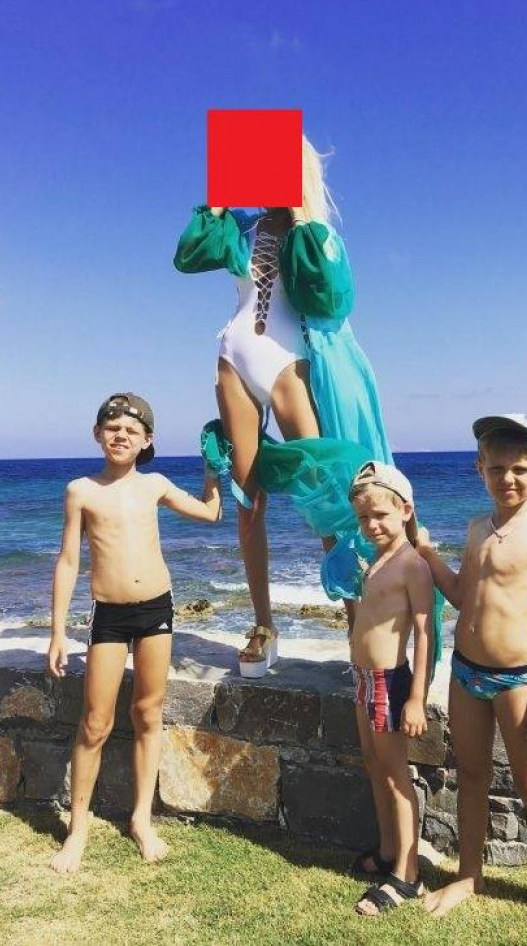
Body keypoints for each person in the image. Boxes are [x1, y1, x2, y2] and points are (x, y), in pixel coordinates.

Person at [173, 134, 391, 677]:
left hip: (290, 365)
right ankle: (263, 625)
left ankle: (357, 623)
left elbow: (329, 297)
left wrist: (298, 213)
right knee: (248, 499)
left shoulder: (314, 234)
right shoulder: (241, 227)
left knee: (328, 495)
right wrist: (221, 194)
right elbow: (187, 256)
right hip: (234, 359)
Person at [417, 414, 527, 945]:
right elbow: (462, 595)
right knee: (471, 775)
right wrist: (427, 554)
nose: (508, 479)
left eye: (520, 470)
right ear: (479, 469)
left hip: (516, 681)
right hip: (466, 672)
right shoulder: (476, 530)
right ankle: (469, 875)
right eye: (496, 469)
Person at [46, 392, 222, 874]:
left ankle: (141, 819)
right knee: (95, 723)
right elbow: (68, 561)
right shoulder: (81, 490)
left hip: (156, 611)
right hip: (108, 616)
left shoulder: (155, 484)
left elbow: (210, 514)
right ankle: (78, 829)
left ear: (147, 440)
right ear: (97, 434)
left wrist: (214, 472)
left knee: (147, 713)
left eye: (131, 430)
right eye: (112, 427)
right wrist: (58, 631)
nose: (120, 435)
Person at [347, 461, 433, 916]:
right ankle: (386, 851)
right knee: (373, 764)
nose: (372, 525)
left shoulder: (411, 565)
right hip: (363, 679)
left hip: (389, 681)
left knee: (397, 776)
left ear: (405, 511)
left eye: (380, 515)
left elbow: (425, 632)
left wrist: (416, 698)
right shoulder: (377, 561)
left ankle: (407, 874)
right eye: (363, 517)